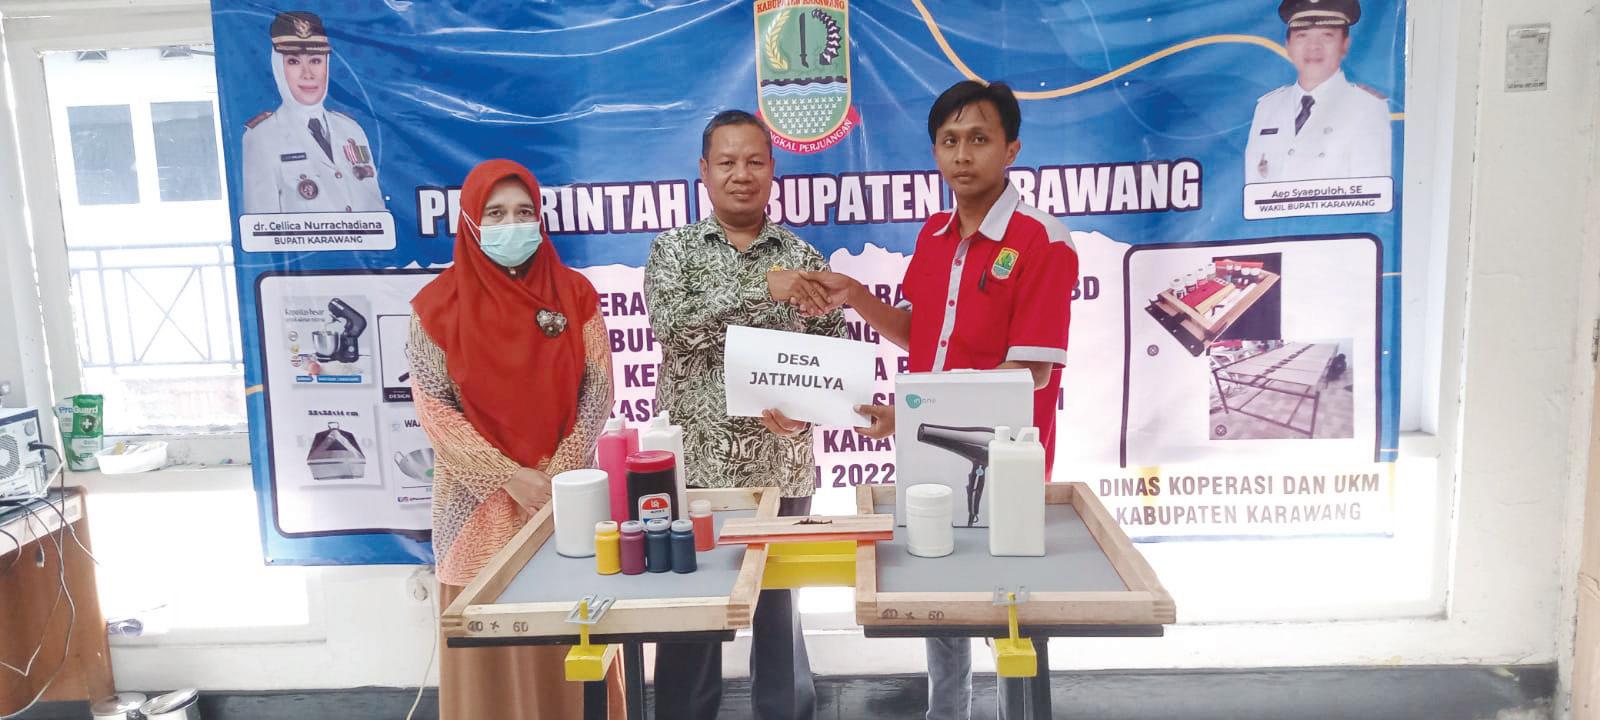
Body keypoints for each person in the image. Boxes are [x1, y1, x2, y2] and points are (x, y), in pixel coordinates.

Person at [800, 81, 1079, 720]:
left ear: (1011, 149)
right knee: (940, 601)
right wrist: (856, 297)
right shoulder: (933, 235)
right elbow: (917, 332)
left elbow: (1029, 372)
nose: (962, 155)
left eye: (979, 139)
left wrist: (916, 417)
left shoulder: (1043, 241)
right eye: (949, 141)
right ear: (934, 151)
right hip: (931, 455)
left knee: (1011, 610)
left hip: (1006, 460)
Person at [643, 110, 845, 720]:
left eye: (755, 161)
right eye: (727, 162)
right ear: (703, 171)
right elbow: (675, 330)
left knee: (780, 618)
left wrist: (807, 412)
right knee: (691, 620)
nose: (742, 175)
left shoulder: (803, 256)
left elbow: (831, 357)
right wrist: (764, 290)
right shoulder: (673, 251)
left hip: (780, 470)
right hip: (695, 475)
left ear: (773, 170)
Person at [409, 159, 623, 720]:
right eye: (496, 214)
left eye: (524, 212)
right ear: (471, 223)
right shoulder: (435, 308)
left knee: (576, 638)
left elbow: (598, 388)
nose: (513, 225)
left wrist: (558, 476)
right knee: (491, 660)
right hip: (473, 511)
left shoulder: (575, 294)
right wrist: (509, 477)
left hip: (566, 502)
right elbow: (435, 411)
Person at [242, 10, 385, 213]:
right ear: (278, 68)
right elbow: (262, 223)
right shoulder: (262, 137)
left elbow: (375, 208)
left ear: (327, 65)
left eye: (315, 60)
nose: (307, 74)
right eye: (294, 61)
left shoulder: (351, 130)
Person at [1243, 0, 1390, 183]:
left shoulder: (1367, 108)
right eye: (1302, 36)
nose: (1313, 46)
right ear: (1288, 45)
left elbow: (1372, 192)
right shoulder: (1267, 108)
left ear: (1345, 44)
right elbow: (1253, 186)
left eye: (1327, 35)